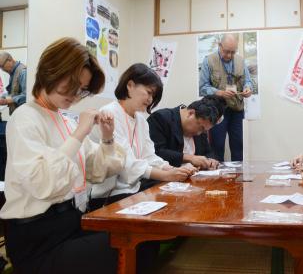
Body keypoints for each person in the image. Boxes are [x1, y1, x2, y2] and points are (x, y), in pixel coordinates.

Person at [0, 37, 126, 274]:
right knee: (122, 248)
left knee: (135, 238)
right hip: (37, 237)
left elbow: (98, 172)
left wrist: (107, 138)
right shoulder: (25, 117)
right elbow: (43, 183)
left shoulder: (66, 121)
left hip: (70, 223)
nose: (75, 95)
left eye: (81, 89)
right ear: (51, 70)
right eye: (72, 84)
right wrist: (79, 134)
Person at [90, 63, 194, 210]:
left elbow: (149, 156)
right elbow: (126, 165)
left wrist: (170, 168)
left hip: (133, 189)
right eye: (149, 92)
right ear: (130, 85)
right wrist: (168, 175)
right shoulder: (108, 114)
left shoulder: (140, 120)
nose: (151, 99)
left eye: (154, 95)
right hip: (108, 196)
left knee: (178, 200)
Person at [199, 33, 253, 161]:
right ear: (219, 45)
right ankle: (217, 178)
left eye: (233, 52)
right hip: (217, 111)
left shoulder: (240, 61)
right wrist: (219, 93)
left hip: (237, 110)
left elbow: (248, 82)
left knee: (238, 146)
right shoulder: (208, 60)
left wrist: (248, 89)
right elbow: (202, 87)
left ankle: (239, 180)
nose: (229, 55)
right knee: (217, 145)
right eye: (226, 51)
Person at [148, 95, 226, 170]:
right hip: (163, 179)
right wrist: (189, 158)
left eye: (204, 130)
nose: (199, 133)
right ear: (191, 113)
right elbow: (156, 152)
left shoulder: (201, 128)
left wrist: (211, 161)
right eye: (201, 128)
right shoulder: (161, 118)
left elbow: (208, 152)